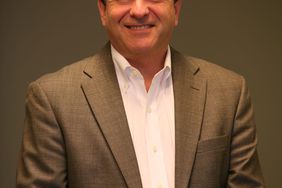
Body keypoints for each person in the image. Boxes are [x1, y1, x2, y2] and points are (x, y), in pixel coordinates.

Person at [16, 0, 265, 187]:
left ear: (176, 10)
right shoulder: (52, 99)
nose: (138, 10)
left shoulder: (229, 93)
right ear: (102, 11)